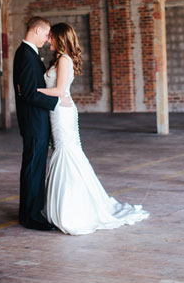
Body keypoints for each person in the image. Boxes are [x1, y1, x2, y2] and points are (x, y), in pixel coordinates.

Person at [38, 22, 149, 235]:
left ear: (60, 38)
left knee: (67, 153)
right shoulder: (59, 59)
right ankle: (65, 206)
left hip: (62, 112)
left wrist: (32, 90)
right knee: (64, 152)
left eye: (51, 37)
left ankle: (73, 209)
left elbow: (60, 90)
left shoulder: (64, 60)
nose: (48, 40)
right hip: (57, 111)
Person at [13, 16, 70, 230]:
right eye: (46, 35)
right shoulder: (26, 55)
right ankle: (31, 217)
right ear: (37, 31)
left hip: (35, 121)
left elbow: (28, 90)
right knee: (32, 168)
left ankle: (28, 213)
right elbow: (27, 94)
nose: (47, 40)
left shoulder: (28, 53)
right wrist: (56, 100)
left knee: (34, 168)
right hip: (33, 122)